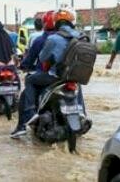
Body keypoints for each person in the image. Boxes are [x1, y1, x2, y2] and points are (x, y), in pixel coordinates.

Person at [10, 9, 82, 138]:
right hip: (72, 76)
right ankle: (81, 111)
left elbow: (42, 58)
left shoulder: (51, 39)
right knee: (77, 84)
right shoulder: (79, 36)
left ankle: (30, 114)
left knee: (30, 80)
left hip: (54, 76)